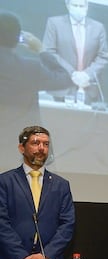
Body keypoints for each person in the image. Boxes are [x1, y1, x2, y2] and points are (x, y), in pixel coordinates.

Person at [0, 126, 75, 259]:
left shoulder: (61, 185)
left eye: (46, 144)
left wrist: (45, 256)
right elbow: (2, 225)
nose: (41, 148)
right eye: (35, 143)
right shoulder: (5, 182)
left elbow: (67, 225)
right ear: (21, 147)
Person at [0, 10, 73, 168]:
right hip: (21, 153)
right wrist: (42, 50)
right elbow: (65, 79)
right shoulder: (30, 68)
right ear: (17, 39)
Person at [42, 0, 108, 105]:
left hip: (87, 88)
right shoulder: (54, 23)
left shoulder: (98, 28)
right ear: (67, 5)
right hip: (61, 87)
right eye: (75, 5)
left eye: (81, 6)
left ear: (87, 6)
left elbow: (103, 57)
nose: (78, 8)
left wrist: (87, 74)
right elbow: (49, 52)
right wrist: (73, 74)